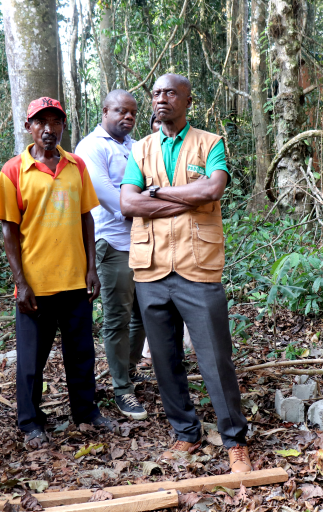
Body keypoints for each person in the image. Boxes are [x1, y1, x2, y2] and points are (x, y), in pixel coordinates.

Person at [120, 73, 252, 474]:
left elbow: (212, 190)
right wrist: (184, 198)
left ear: (188, 101)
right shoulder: (141, 148)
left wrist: (156, 193)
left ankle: (235, 442)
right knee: (165, 361)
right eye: (156, 93)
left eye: (171, 92)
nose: (162, 98)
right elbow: (128, 204)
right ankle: (186, 433)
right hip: (151, 269)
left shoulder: (210, 143)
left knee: (215, 360)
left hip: (198, 268)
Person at [0, 97, 112, 448]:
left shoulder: (76, 165)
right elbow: (9, 230)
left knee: (81, 353)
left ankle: (86, 412)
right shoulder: (14, 170)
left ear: (63, 126)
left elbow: (86, 217)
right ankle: (30, 421)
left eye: (55, 122)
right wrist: (21, 283)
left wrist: (92, 268)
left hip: (74, 279)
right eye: (40, 122)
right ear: (29, 127)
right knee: (31, 360)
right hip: (36, 284)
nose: (49, 129)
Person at [74, 90, 150, 421]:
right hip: (112, 241)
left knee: (144, 314)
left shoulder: (136, 146)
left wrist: (147, 200)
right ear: (105, 111)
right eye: (121, 111)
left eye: (132, 112)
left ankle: (128, 370)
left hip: (143, 240)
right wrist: (147, 203)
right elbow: (106, 194)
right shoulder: (92, 146)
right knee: (118, 317)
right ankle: (122, 389)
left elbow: (153, 183)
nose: (128, 117)